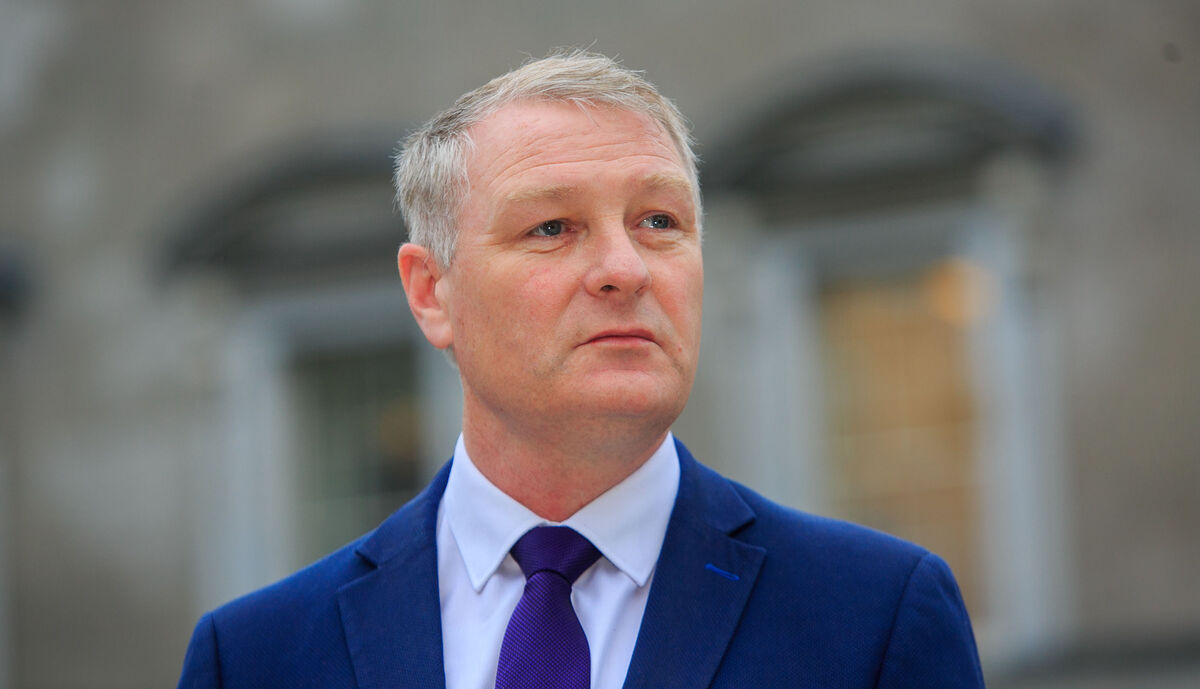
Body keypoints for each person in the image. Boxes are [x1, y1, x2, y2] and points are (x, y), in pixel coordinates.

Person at [176, 49, 985, 689]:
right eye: (553, 227)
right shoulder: (255, 657)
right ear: (431, 292)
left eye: (659, 220)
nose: (626, 268)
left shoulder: (874, 616)